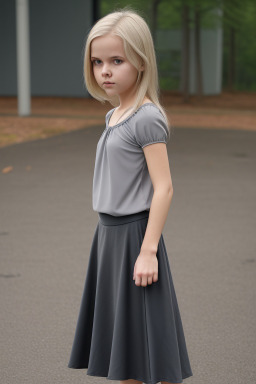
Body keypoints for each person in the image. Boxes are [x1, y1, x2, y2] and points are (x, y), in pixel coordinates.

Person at [67, 6, 193, 384]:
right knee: (127, 351)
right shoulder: (115, 114)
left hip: (135, 237)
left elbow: (164, 187)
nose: (104, 70)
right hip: (107, 237)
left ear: (141, 61)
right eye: (97, 61)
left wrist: (148, 250)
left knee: (148, 348)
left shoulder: (146, 117)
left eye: (116, 60)